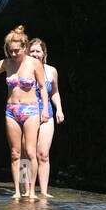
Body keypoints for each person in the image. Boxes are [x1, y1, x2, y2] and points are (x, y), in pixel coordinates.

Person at [0, 24, 48, 198]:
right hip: (11, 110)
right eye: (11, 51)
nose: (14, 54)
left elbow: (43, 87)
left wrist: (44, 109)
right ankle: (17, 191)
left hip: (31, 110)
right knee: (15, 153)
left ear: (24, 47)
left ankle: (31, 191)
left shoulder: (34, 63)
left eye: (17, 50)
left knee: (30, 152)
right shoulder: (6, 63)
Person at [28, 38, 64, 199]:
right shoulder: (23, 68)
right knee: (26, 154)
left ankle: (43, 191)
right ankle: (25, 189)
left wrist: (59, 109)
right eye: (32, 51)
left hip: (46, 114)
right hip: (28, 113)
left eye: (38, 51)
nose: (35, 54)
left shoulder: (51, 71)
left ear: (44, 54)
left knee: (43, 154)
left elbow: (54, 92)